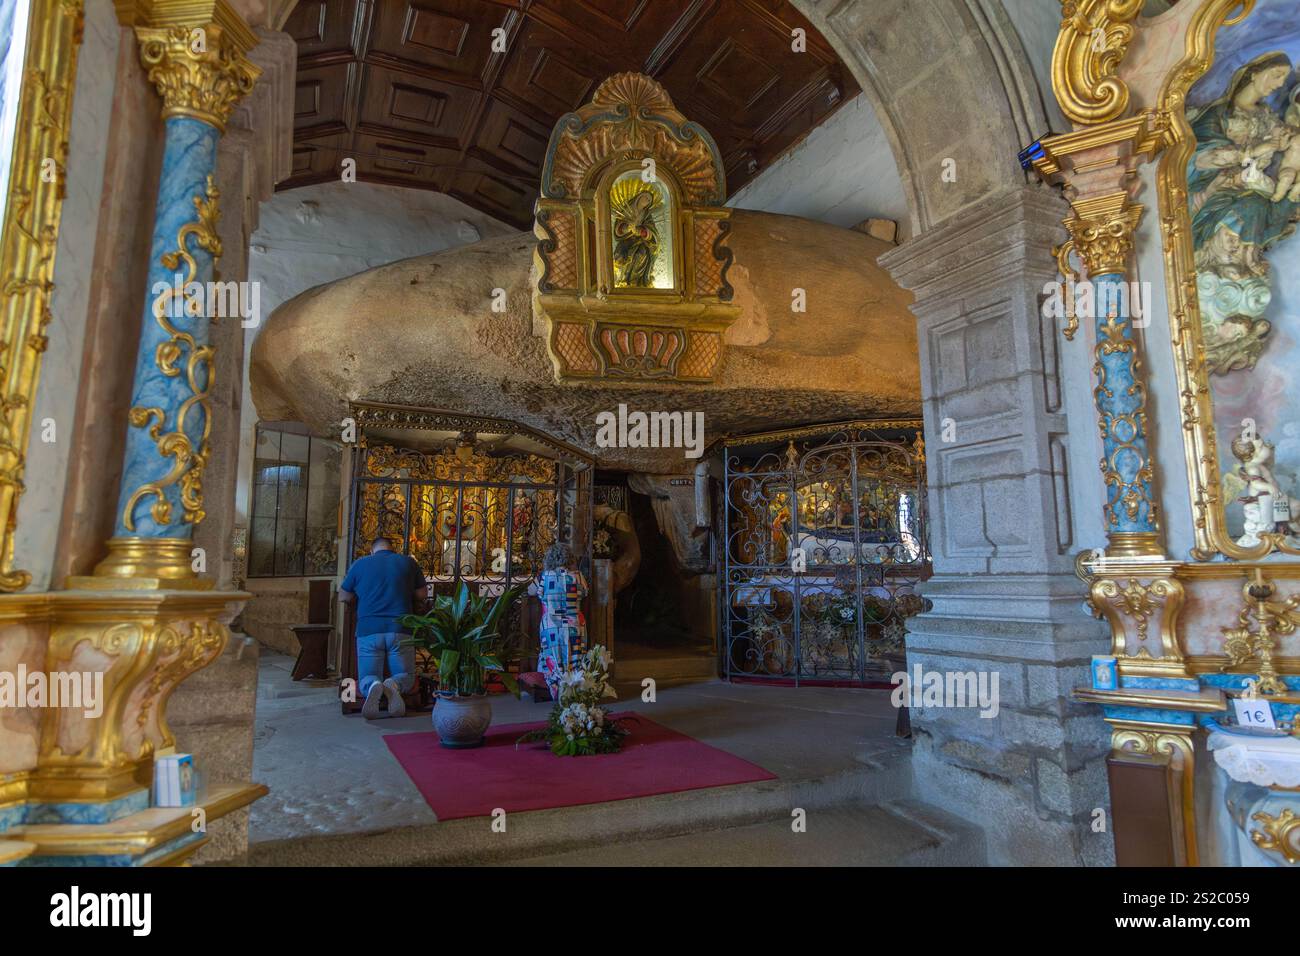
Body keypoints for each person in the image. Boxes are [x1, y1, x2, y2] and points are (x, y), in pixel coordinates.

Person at [340, 536, 428, 719]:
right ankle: (393, 685)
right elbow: (421, 594)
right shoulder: (408, 562)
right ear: (392, 549)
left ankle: (373, 686)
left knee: (368, 675)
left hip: (368, 630)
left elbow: (344, 596)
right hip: (400, 628)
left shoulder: (360, 564)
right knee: (405, 675)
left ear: (372, 550)